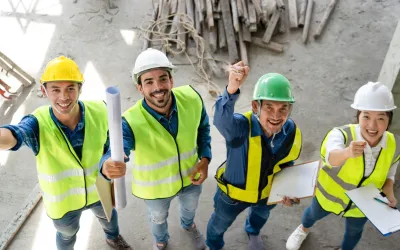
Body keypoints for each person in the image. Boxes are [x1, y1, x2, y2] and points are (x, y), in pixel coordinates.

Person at [0, 56, 132, 250]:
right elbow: (14, 135)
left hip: (99, 190)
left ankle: (113, 238)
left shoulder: (100, 110)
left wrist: (108, 159)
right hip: (64, 204)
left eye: (70, 88)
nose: (64, 97)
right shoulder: (37, 122)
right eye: (55, 89)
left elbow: (118, 138)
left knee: (109, 218)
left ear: (80, 89)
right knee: (67, 235)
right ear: (44, 91)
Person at [100, 48, 212, 250]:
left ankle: (188, 225)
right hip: (156, 190)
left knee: (190, 207)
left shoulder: (192, 99)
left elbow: (203, 130)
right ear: (140, 88)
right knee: (158, 218)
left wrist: (205, 160)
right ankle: (161, 241)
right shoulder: (130, 121)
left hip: (191, 177)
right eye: (149, 82)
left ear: (172, 81)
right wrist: (108, 164)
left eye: (162, 79)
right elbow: (115, 149)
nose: (158, 87)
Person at [286, 81, 399, 250]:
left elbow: (391, 168)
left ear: (389, 119)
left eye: (380, 118)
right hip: (329, 198)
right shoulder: (341, 134)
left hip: (362, 206)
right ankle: (303, 229)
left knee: (354, 232)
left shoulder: (393, 143)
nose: (372, 126)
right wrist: (347, 153)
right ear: (358, 115)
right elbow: (331, 158)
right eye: (366, 116)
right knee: (312, 214)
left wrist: (389, 188)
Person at [206, 62, 303, 250]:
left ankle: (253, 230)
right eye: (269, 107)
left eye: (283, 108)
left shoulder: (290, 131)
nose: (276, 115)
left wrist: (288, 189)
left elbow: (286, 162)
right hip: (231, 197)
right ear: (255, 106)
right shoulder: (240, 128)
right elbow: (221, 119)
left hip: (266, 195)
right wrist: (232, 88)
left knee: (260, 215)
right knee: (219, 224)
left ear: (290, 109)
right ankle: (214, 245)